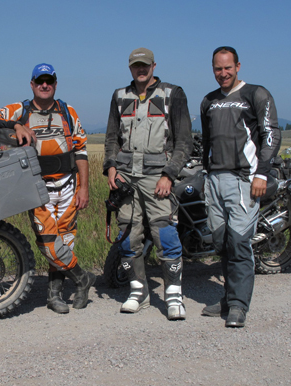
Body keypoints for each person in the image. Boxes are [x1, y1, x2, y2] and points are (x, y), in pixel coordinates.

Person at [0, 63, 95, 314]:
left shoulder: (68, 112)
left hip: (69, 184)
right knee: (47, 240)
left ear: (55, 84)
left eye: (49, 80)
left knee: (65, 240)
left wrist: (85, 188)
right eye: (39, 81)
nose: (44, 85)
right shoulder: (20, 110)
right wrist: (15, 126)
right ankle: (82, 278)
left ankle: (54, 294)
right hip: (36, 186)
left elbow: (81, 151)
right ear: (32, 84)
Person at [103, 48, 193, 320]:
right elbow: (111, 139)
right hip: (126, 178)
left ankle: (174, 295)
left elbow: (183, 142)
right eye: (135, 66)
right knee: (128, 235)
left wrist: (169, 174)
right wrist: (110, 167)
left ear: (154, 66)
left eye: (145, 65)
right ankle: (138, 292)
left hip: (158, 178)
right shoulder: (120, 96)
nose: (140, 70)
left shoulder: (172, 94)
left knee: (164, 234)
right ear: (130, 68)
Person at [200, 46, 281, 327]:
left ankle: (238, 305)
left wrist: (262, 173)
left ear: (238, 66)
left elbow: (271, 133)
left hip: (244, 180)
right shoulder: (208, 101)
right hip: (214, 181)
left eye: (227, 68)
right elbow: (207, 141)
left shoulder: (256, 94)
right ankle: (229, 296)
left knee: (239, 242)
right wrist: (205, 174)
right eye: (217, 69)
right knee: (222, 243)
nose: (223, 73)